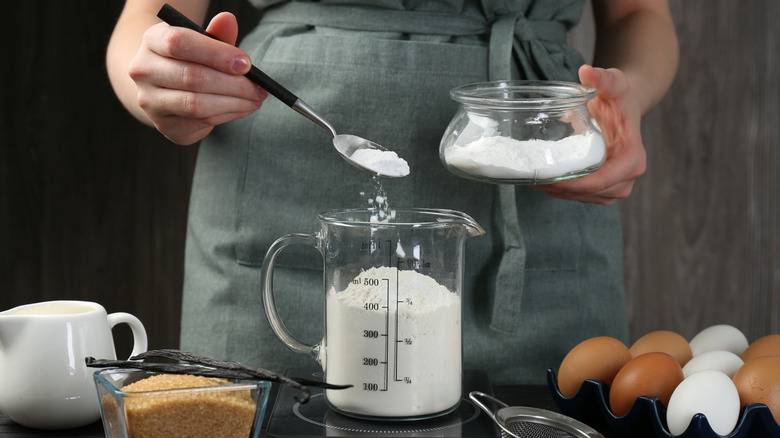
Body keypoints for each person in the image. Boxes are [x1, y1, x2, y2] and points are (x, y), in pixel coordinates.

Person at [107, 0, 678, 384]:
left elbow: (639, 13)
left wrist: (626, 98)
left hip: (544, 184)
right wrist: (166, 86)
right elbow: (139, 28)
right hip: (285, 183)